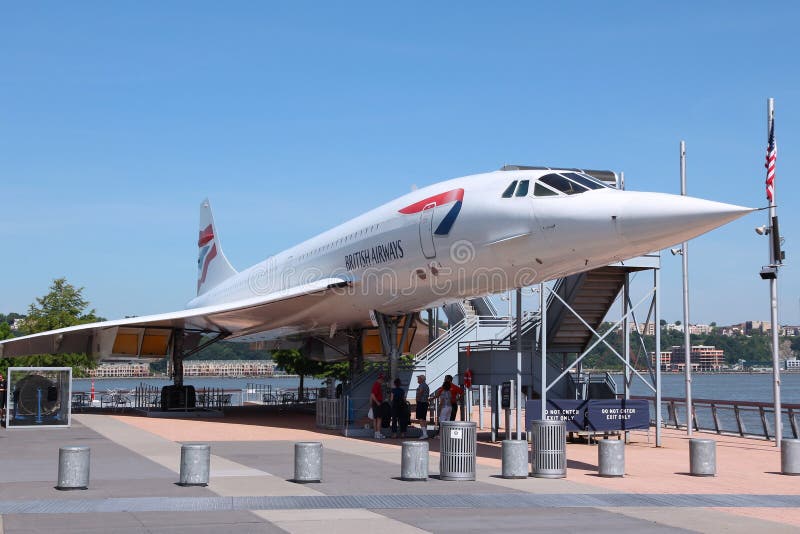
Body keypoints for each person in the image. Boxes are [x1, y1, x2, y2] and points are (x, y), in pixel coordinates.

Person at [369, 373, 385, 439]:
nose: (383, 381)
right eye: (382, 379)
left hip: (375, 403)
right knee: (379, 418)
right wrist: (377, 402)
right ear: (380, 379)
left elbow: (371, 395)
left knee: (375, 418)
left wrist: (371, 404)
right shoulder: (377, 385)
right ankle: (378, 433)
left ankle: (376, 434)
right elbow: (373, 395)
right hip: (377, 403)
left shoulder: (376, 385)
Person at [415, 374, 430, 439]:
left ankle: (424, 434)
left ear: (421, 379)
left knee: (421, 419)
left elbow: (420, 392)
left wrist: (417, 399)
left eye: (418, 378)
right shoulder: (426, 385)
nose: (417, 380)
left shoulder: (422, 385)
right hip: (425, 402)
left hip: (421, 402)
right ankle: (425, 433)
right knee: (423, 419)